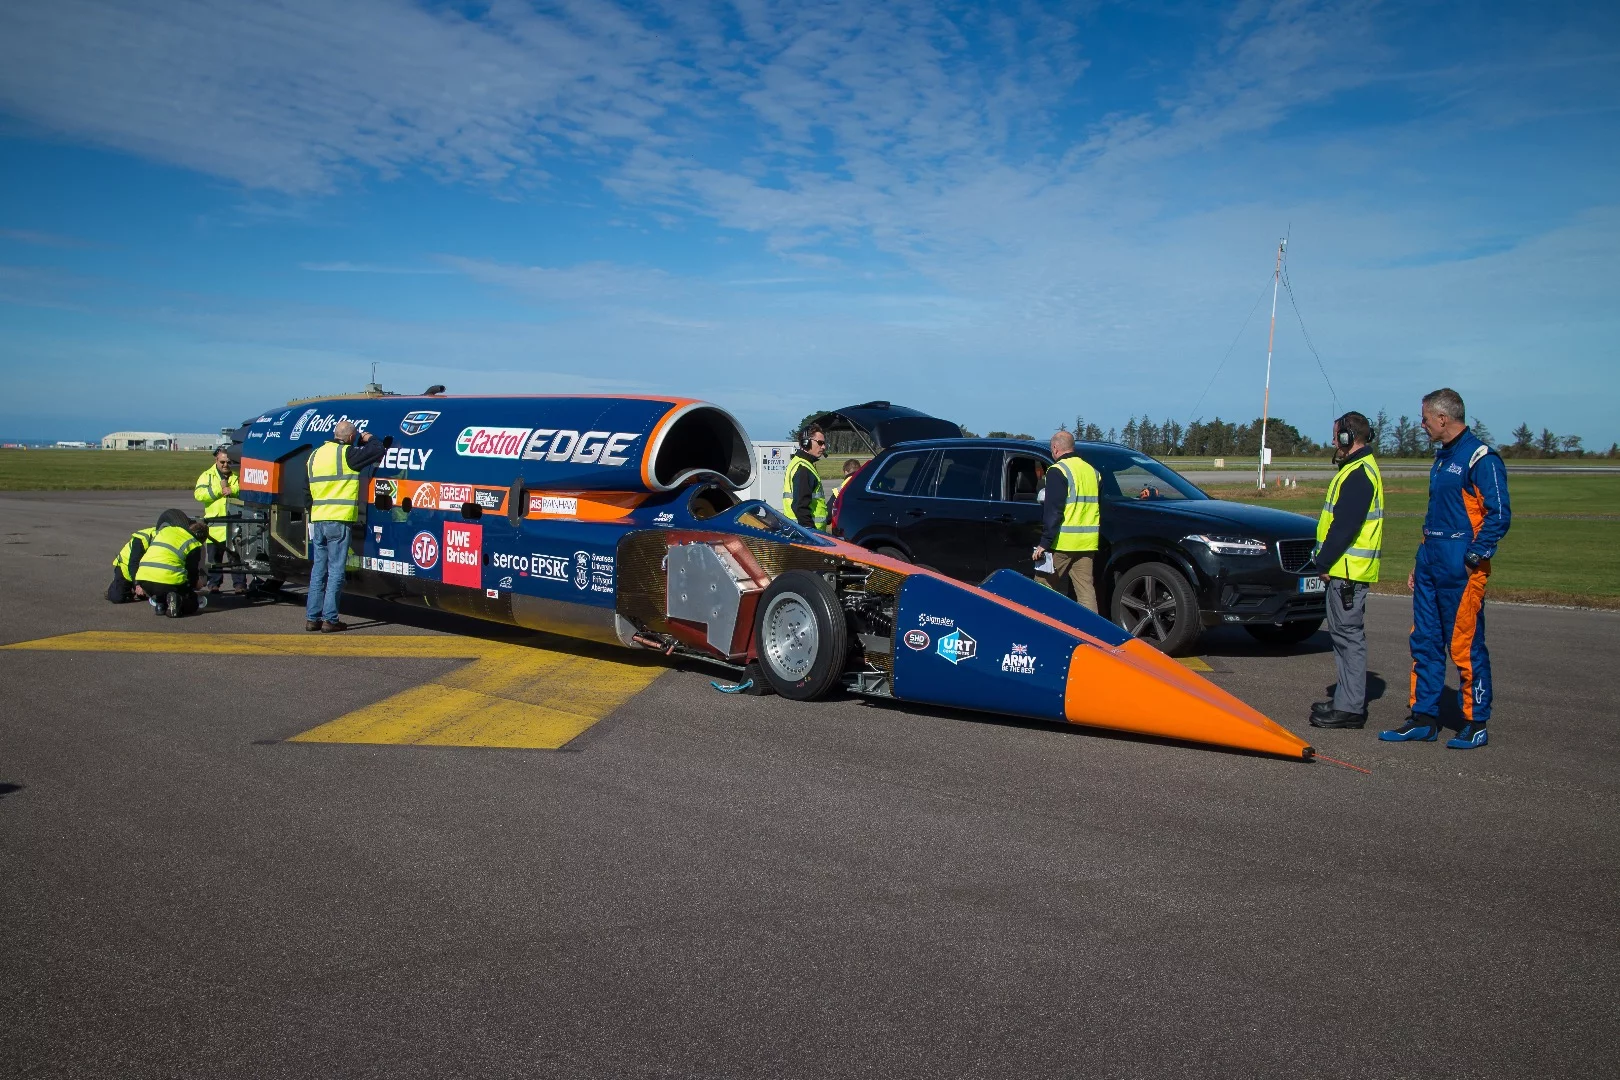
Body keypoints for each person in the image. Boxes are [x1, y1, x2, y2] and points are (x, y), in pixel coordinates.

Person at [1381, 388, 1510, 749]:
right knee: (1424, 640)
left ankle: (1475, 720)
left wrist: (1474, 556)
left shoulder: (1481, 458)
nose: (1422, 425)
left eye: (1424, 418)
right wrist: (1419, 560)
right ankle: (1423, 716)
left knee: (1465, 645)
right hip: (1430, 563)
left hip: (1461, 566)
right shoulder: (1441, 459)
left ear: (1442, 418)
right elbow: (1435, 514)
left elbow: (1499, 514)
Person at [1305, 412, 1383, 730]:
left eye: (1337, 436)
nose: (1334, 442)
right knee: (1343, 637)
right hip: (1347, 571)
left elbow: (1345, 527)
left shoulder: (1358, 474)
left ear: (1350, 438)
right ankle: (1345, 701)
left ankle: (1350, 708)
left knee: (1348, 638)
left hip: (1348, 573)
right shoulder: (1355, 469)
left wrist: (1322, 562)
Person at [305, 419, 389, 632]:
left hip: (318, 519)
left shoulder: (314, 456)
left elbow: (307, 492)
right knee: (335, 571)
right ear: (351, 438)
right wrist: (369, 438)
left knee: (318, 570)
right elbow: (377, 450)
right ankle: (329, 619)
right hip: (339, 520)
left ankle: (311, 618)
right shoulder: (346, 455)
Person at [1033, 430, 1101, 611]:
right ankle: (1092, 633)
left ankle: (1042, 630)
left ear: (1055, 448)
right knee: (1086, 591)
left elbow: (1053, 510)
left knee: (1042, 586)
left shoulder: (1057, 471)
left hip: (1062, 542)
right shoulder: (1092, 472)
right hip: (1087, 543)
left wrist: (1044, 543)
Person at [133, 514, 210, 617]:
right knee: (192, 603)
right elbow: (191, 572)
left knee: (161, 589)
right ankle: (178, 599)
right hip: (169, 581)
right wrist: (196, 583)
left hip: (144, 581)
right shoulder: (193, 544)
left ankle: (160, 605)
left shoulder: (166, 531)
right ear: (201, 536)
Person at [193, 447, 247, 594]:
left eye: (228, 462)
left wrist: (233, 490)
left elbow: (247, 489)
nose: (225, 465)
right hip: (215, 526)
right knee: (214, 559)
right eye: (222, 462)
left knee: (236, 558)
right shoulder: (207, 476)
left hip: (234, 525)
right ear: (216, 460)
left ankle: (240, 585)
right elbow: (199, 494)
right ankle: (214, 584)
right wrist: (219, 490)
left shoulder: (238, 474)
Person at [781, 424, 829, 531]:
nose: (823, 447)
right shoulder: (803, 468)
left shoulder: (799, 462)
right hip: (807, 533)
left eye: (824, 443)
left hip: (798, 531)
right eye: (820, 443)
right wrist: (811, 534)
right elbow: (800, 507)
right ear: (806, 443)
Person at [107, 524, 157, 603]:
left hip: (142, 571)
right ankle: (116, 584)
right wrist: (137, 585)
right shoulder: (143, 538)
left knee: (144, 596)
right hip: (125, 568)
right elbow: (133, 564)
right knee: (117, 598)